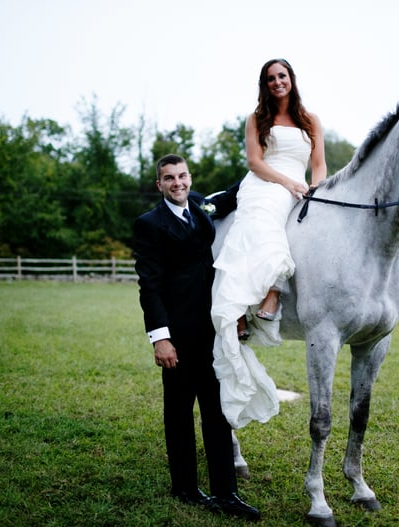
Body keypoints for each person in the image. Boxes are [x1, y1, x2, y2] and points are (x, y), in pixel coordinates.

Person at [133, 154, 260, 521]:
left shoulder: (201, 206)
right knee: (178, 412)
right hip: (176, 334)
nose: (178, 183)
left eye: (183, 176)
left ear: (190, 177)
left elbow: (233, 196)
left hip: (211, 330)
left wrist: (264, 165)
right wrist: (160, 338)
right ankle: (185, 487)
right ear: (159, 184)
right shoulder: (149, 224)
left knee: (216, 412)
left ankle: (225, 493)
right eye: (169, 178)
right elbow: (150, 287)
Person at [210, 59, 327, 429]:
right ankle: (261, 297)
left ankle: (271, 291)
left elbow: (319, 164)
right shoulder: (256, 118)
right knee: (259, 221)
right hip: (265, 184)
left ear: (292, 80)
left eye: (282, 76)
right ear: (264, 84)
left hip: (300, 186)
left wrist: (314, 189)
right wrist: (287, 183)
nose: (277, 82)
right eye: (270, 78)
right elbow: (255, 162)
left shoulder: (311, 120)